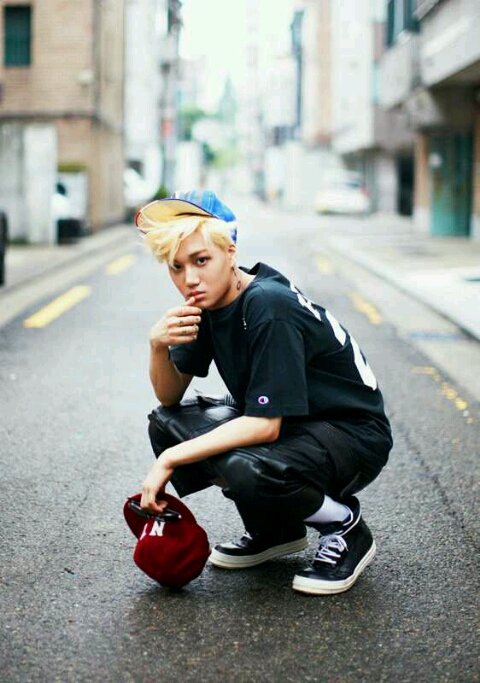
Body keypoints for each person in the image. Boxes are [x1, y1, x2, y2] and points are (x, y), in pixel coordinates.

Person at [137, 190, 393, 595]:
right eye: (177, 266)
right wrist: (157, 346)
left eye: (201, 260)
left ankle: (344, 525)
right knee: (166, 425)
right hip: (297, 427)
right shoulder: (204, 304)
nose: (189, 279)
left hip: (351, 435)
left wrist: (170, 459)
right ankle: (275, 530)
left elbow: (264, 425)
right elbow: (169, 398)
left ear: (230, 252)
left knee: (247, 463)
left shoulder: (267, 304)